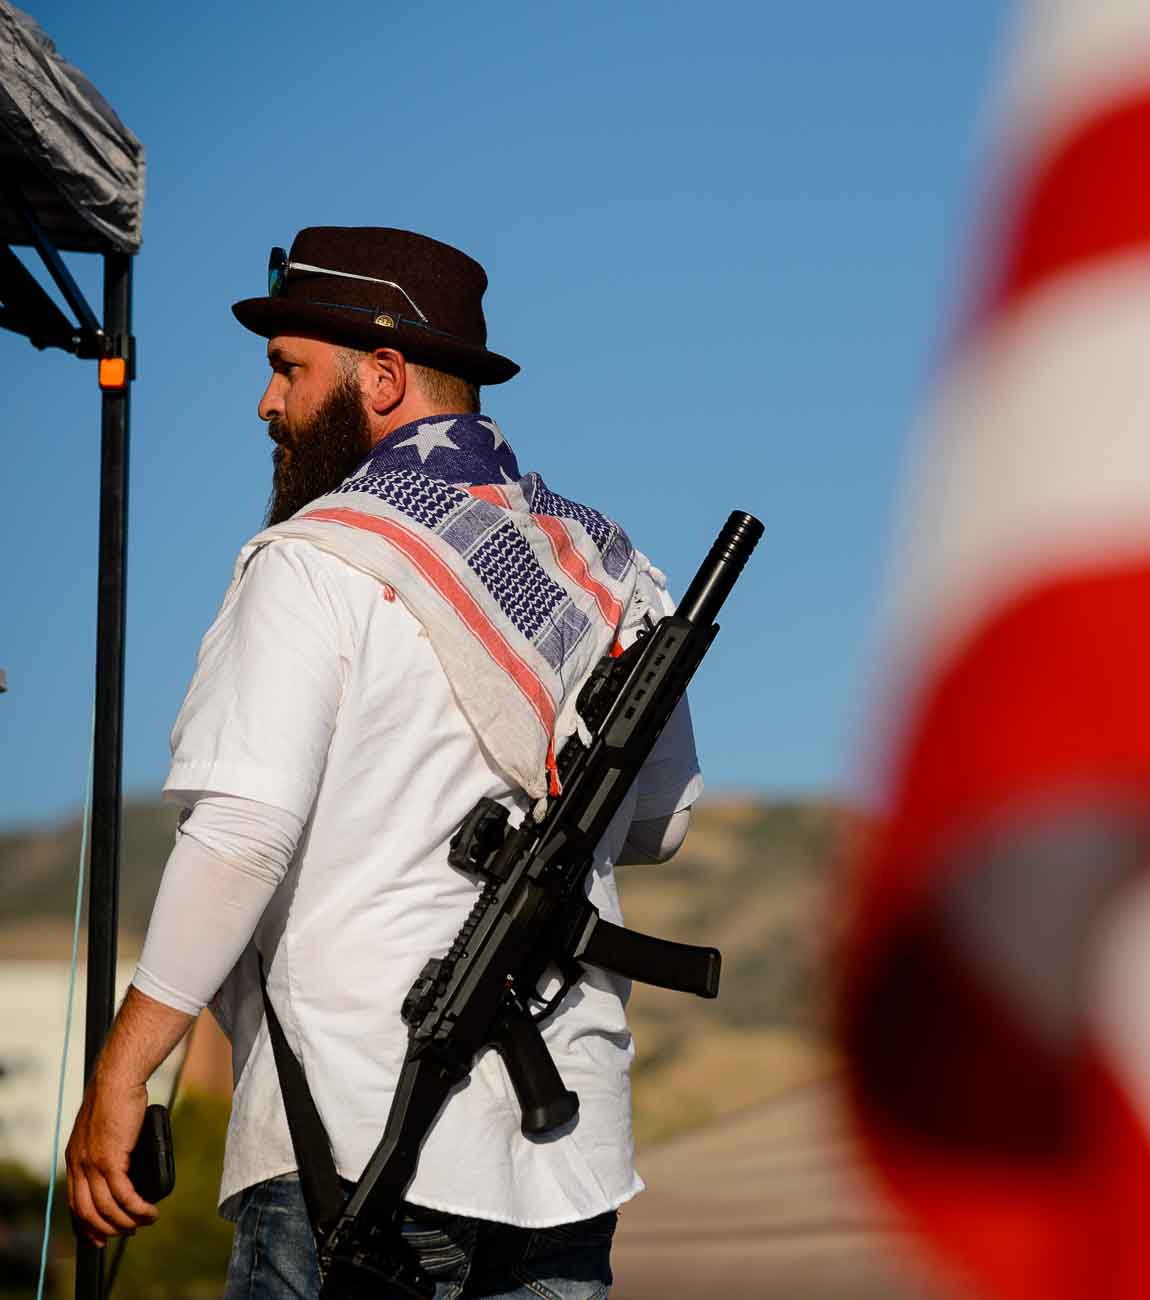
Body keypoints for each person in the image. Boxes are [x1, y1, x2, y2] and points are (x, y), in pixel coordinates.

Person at [64, 226, 701, 1300]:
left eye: (288, 369)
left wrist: (126, 1072)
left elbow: (242, 834)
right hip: (560, 1166)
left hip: (353, 1150)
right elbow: (660, 825)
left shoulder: (315, 560)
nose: (266, 405)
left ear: (386, 377)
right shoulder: (614, 569)